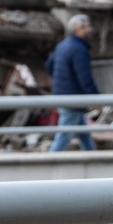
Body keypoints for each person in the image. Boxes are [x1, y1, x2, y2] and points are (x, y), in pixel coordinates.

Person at [45, 15, 101, 152]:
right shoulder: (79, 50)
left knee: (84, 134)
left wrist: (62, 81)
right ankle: (49, 164)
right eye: (87, 26)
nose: (90, 29)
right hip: (73, 98)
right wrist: (97, 99)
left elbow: (49, 66)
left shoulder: (62, 45)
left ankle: (94, 159)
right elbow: (85, 79)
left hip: (62, 95)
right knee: (64, 136)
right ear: (79, 29)